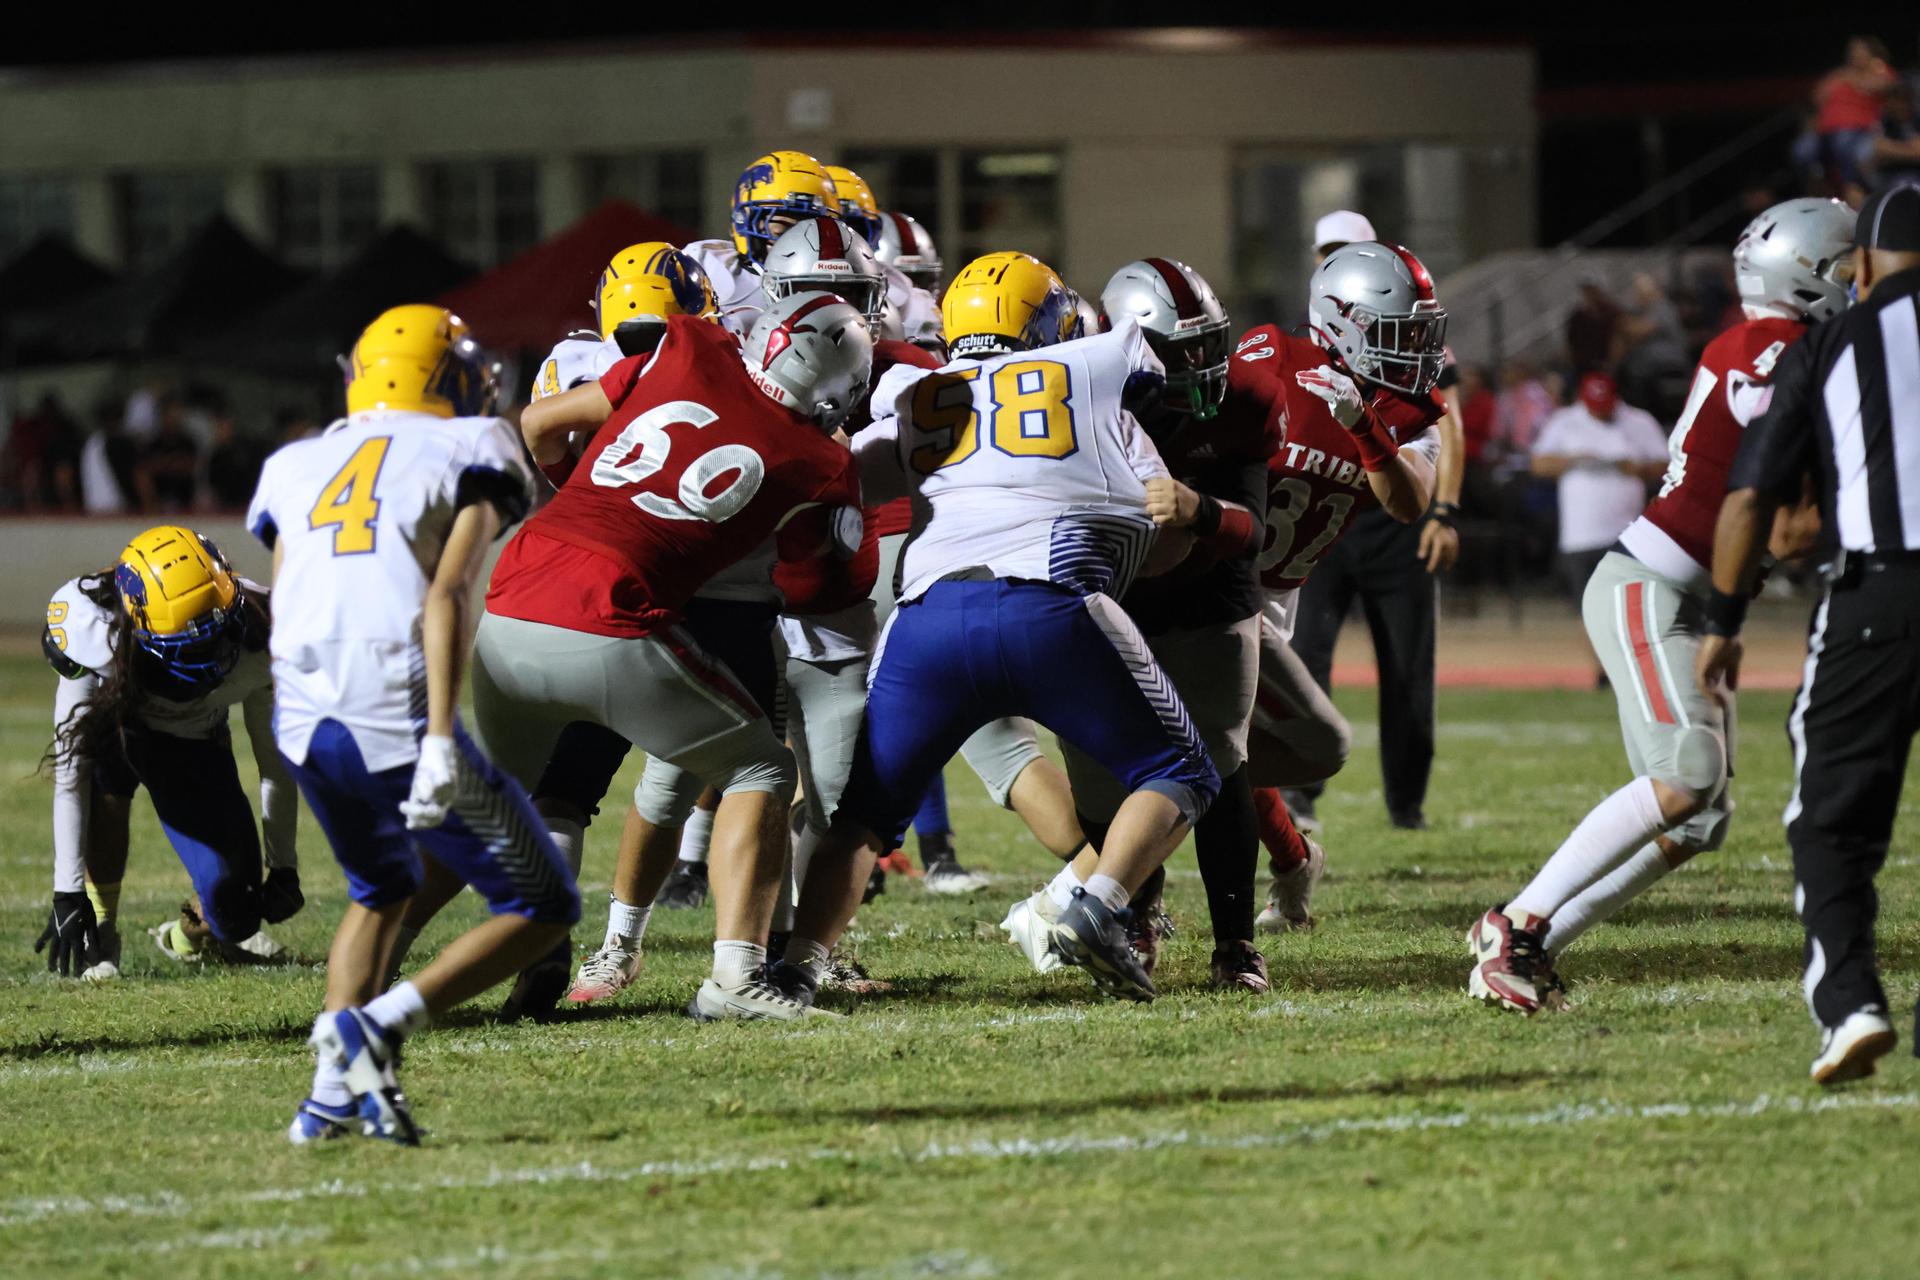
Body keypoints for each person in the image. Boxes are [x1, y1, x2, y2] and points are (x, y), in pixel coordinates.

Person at [769, 252, 1219, 1007]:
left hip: (928, 619)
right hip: (1049, 606)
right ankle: (1100, 909)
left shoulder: (918, 392)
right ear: (1046, 322)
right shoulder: (1091, 371)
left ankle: (801, 962)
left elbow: (840, 482)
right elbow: (1164, 523)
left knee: (863, 819)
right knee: (1182, 771)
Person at [1468, 197, 1854, 1014]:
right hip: (1649, 583)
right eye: (1847, 268)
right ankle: (1516, 921)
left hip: (1689, 594)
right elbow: (1780, 527)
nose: (1859, 283)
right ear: (1808, 275)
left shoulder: (1774, 346)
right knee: (1687, 776)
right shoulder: (1774, 350)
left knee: (1696, 821)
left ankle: (1525, 943)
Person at [474, 292, 871, 1023]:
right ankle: (732, 974)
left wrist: (584, 494)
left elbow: (538, 424)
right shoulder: (818, 456)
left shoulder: (691, 346)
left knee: (520, 792)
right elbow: (817, 581)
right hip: (639, 605)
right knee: (757, 769)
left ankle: (417, 962)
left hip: (523, 587)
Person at [249, 304, 578, 1144]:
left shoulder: (295, 462)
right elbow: (447, 595)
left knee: (381, 889)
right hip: (394, 712)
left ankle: (329, 1095)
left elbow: (286, 599)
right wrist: (438, 737)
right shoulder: (472, 446)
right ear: (454, 379)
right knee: (542, 904)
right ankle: (378, 1023)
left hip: (303, 715)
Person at [385, 241, 727, 1022]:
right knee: (741, 765)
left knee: (547, 793)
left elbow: (533, 439)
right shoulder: (692, 365)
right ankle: (754, 952)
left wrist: (576, 480)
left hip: (535, 591)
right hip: (646, 596)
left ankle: (531, 951)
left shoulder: (572, 361)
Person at [1000, 256, 1273, 992]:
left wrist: (1197, 512)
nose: (1206, 366)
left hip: (1210, 599)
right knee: (1098, 776)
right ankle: (1131, 912)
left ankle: (1236, 943)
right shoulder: (1077, 392)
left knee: (1219, 762)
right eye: (1182, 353)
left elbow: (1255, 532)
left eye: (1210, 345)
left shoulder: (1242, 398)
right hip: (1105, 600)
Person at [1697, 184, 1920, 1084]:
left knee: (1829, 823)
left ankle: (1853, 1003)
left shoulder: (1832, 340)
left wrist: (1723, 622)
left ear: (1860, 268)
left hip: (1879, 598)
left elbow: (1754, 502)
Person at [1227, 242, 1450, 932]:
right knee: (1202, 741)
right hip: (1219, 573)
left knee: (1218, 750)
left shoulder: (1411, 408)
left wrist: (1364, 427)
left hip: (1275, 591)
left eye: (1420, 332)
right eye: (1399, 333)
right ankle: (1135, 894)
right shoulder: (1271, 358)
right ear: (1343, 322)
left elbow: (1408, 503)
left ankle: (1288, 863)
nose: (1416, 349)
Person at [36, 526, 302, 980]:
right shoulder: (93, 632)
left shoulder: (263, 634)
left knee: (237, 911)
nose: (209, 653)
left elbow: (274, 759)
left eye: (214, 635)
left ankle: (185, 938)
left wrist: (284, 865)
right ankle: (103, 928)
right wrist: (67, 891)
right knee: (106, 785)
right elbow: (71, 770)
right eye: (190, 644)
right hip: (118, 718)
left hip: (193, 738)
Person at [1283, 214, 1466, 834]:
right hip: (1321, 527)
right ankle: (1296, 795)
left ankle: (1406, 803)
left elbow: (1445, 429)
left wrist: (1444, 508)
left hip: (1390, 521)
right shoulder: (1291, 353)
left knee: (1410, 666)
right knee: (1304, 659)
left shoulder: (1409, 352)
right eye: (1331, 254)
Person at [1530, 371, 1670, 685]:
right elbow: (1538, 464)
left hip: (1629, 531)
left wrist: (1636, 468)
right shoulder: (1566, 421)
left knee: (1631, 604)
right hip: (1580, 533)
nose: (1601, 412)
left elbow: (1665, 465)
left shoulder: (1637, 421)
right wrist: (1575, 460)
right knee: (1588, 606)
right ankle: (1604, 671)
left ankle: (1633, 667)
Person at [684, 150, 840, 338]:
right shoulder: (706, 267)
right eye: (783, 230)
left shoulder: (839, 277)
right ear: (745, 221)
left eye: (812, 229)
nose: (801, 242)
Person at [1795, 36, 1898, 200]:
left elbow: (1883, 86)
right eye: (1852, 51)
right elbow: (1818, 95)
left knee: (1843, 143)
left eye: (1860, 50)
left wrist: (1852, 79)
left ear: (1872, 53)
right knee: (1802, 150)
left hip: (1857, 130)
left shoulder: (1881, 70)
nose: (1855, 55)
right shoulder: (1838, 75)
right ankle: (1820, 195)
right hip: (1824, 130)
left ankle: (1854, 192)